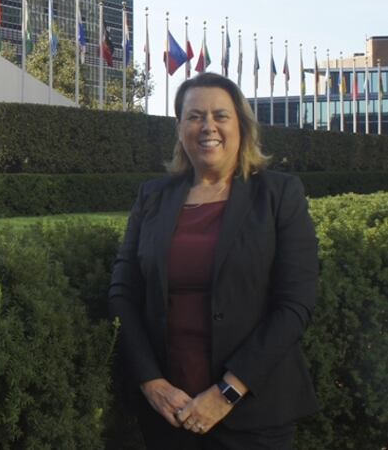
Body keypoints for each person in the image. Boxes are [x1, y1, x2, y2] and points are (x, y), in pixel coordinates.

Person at [108, 72, 319, 449]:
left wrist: (226, 393)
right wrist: (150, 383)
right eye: (194, 116)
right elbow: (123, 294)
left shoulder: (279, 194)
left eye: (220, 115)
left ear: (241, 124)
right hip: (169, 412)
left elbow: (294, 305)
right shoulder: (152, 197)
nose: (208, 126)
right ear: (180, 128)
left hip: (254, 414)